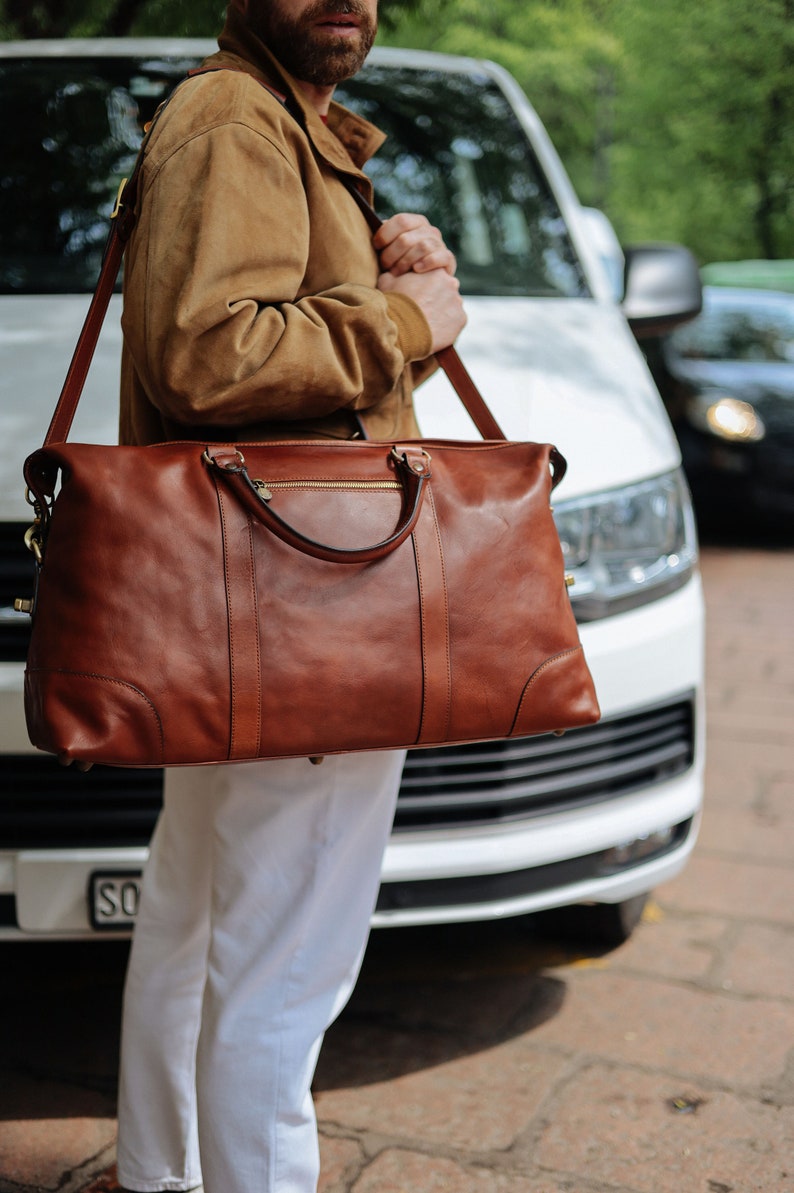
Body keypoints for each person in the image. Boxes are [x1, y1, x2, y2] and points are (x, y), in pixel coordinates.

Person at [114, 1, 466, 1191]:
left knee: (202, 909)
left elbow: (265, 343)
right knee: (284, 957)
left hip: (246, 593)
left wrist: (387, 283)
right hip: (304, 601)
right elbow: (209, 354)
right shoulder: (237, 122)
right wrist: (408, 317)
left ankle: (165, 1173)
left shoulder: (266, 123)